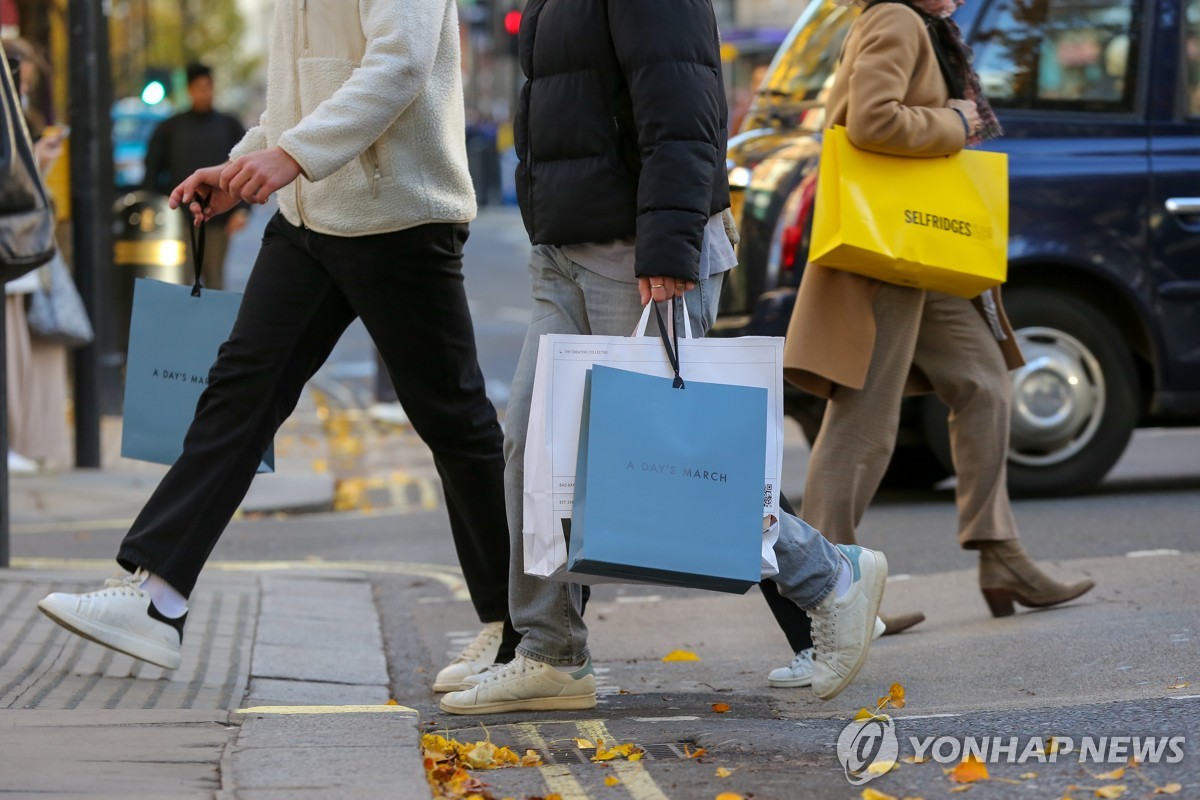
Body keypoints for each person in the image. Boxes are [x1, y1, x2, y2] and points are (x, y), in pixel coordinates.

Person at [37, 0, 518, 689]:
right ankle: (157, 597)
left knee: (455, 422)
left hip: (395, 218)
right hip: (309, 220)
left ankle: (523, 631)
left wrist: (290, 156)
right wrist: (240, 170)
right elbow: (301, 96)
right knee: (241, 389)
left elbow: (400, 64)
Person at [439, 0, 888, 715]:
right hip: (566, 247)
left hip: (639, 253)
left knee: (659, 467)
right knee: (533, 448)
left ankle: (832, 577)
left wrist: (670, 247)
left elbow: (684, 108)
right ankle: (551, 652)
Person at [763, 0, 1095, 688]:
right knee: (864, 418)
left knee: (984, 381)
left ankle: (998, 550)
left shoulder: (929, 27)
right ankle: (829, 588)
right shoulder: (896, 20)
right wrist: (957, 123)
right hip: (891, 248)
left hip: (924, 240)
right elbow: (870, 119)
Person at [4, 37, 71, 475]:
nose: (23, 90)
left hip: (20, 248)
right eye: (20, 81)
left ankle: (23, 438)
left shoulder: (20, 118)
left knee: (27, 348)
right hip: (13, 246)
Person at [142, 62, 249, 290]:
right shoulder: (170, 128)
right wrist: (160, 207)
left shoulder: (229, 125)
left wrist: (242, 209)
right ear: (189, 90)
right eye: (199, 87)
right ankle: (182, 325)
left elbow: (245, 166)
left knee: (214, 280)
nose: (204, 93)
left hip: (220, 217)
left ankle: (214, 325)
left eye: (208, 87)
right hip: (178, 218)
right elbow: (151, 170)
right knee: (179, 279)